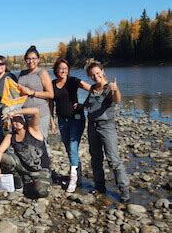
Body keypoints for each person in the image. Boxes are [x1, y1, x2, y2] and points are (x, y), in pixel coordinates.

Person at [84, 59, 130, 202]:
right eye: (92, 75)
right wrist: (79, 106)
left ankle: (124, 191)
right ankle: (100, 187)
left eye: (98, 73)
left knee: (113, 160)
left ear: (102, 72)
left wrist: (115, 89)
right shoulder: (92, 89)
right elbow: (88, 103)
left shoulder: (110, 87)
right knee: (96, 159)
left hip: (106, 127)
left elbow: (117, 99)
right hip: (92, 127)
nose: (96, 77)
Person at [50, 58, 91, 192]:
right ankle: (78, 178)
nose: (63, 70)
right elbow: (51, 102)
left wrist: (84, 104)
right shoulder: (52, 84)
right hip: (62, 120)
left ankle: (73, 180)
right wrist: (52, 119)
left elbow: (92, 89)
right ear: (56, 69)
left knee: (73, 149)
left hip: (76, 119)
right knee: (69, 150)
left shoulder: (73, 81)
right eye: (60, 68)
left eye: (65, 68)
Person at [0, 107, 51, 198]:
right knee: (4, 158)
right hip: (24, 169)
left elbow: (36, 111)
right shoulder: (11, 136)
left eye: (19, 119)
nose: (17, 122)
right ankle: (18, 182)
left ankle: (34, 182)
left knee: (40, 192)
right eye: (14, 120)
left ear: (24, 120)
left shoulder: (33, 130)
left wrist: (16, 112)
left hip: (41, 170)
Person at [18, 45, 54, 156]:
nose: (31, 61)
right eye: (28, 59)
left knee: (40, 142)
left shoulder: (42, 73)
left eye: (34, 58)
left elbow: (50, 94)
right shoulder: (22, 73)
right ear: (25, 60)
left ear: (38, 60)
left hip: (40, 113)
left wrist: (32, 92)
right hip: (25, 113)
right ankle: (33, 169)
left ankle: (46, 167)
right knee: (28, 143)